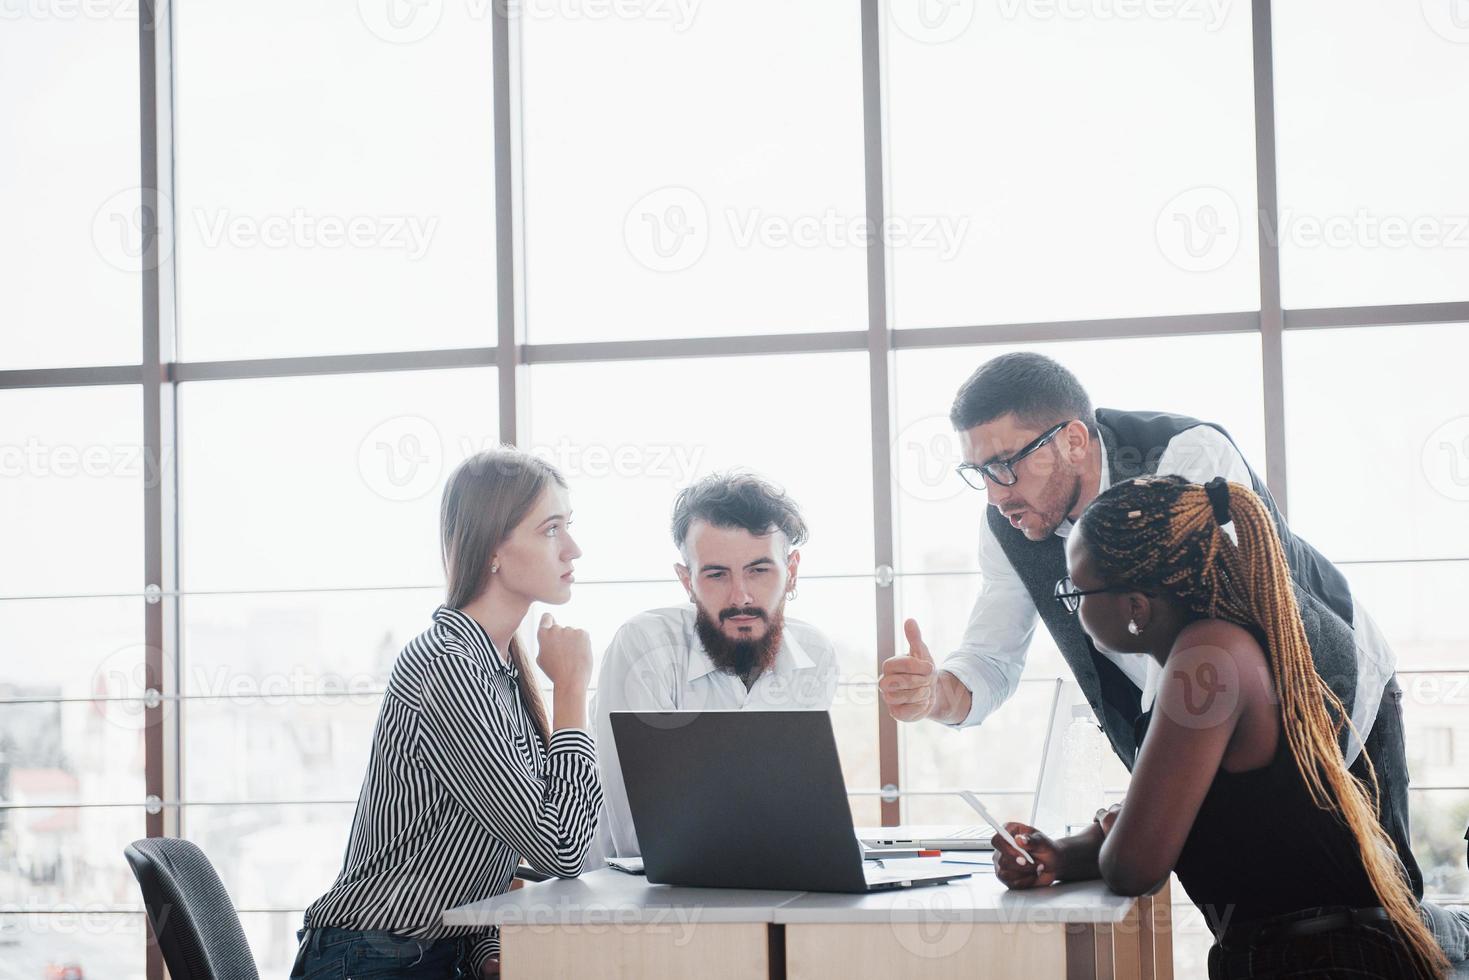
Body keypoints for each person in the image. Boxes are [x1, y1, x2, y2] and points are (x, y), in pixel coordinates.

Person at [878, 352, 1421, 897]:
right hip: (1208, 739)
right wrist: (935, 695)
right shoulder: (1009, 528)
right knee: (1258, 918)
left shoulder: (1185, 457)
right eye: (979, 474)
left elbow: (1216, 636)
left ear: (1071, 440)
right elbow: (990, 659)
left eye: (1005, 464)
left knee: (1384, 914)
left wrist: (1135, 806)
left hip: (1337, 699)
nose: (996, 495)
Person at [988, 475, 1468, 978]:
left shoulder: (1206, 661)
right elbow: (1169, 828)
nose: (1075, 608)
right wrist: (1059, 856)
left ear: (1134, 606)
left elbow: (1133, 867)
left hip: (1329, 962)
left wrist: (1117, 828)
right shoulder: (1216, 648)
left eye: (1077, 591)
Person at [292, 448, 602, 979]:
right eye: (551, 529)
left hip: (430, 957)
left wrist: (484, 954)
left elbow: (483, 845)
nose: (573, 548)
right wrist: (572, 689)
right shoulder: (448, 667)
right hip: (370, 961)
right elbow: (560, 849)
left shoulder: (499, 669)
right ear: (492, 550)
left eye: (568, 527)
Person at [590, 471, 839, 860]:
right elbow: (638, 835)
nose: (740, 596)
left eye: (759, 570)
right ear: (686, 580)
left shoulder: (815, 655)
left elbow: (798, 806)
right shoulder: (643, 648)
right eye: (717, 574)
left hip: (771, 883)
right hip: (644, 900)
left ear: (790, 572)